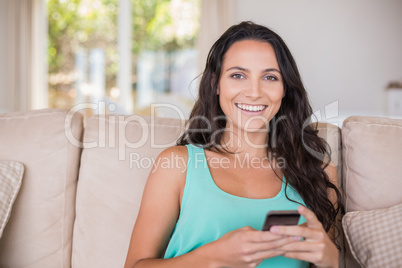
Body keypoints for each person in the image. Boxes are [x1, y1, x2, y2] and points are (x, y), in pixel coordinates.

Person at [124, 21, 342, 268]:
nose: (253, 92)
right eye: (238, 75)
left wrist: (331, 260)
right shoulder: (176, 165)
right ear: (216, 84)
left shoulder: (318, 172)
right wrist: (212, 257)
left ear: (285, 90)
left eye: (270, 77)